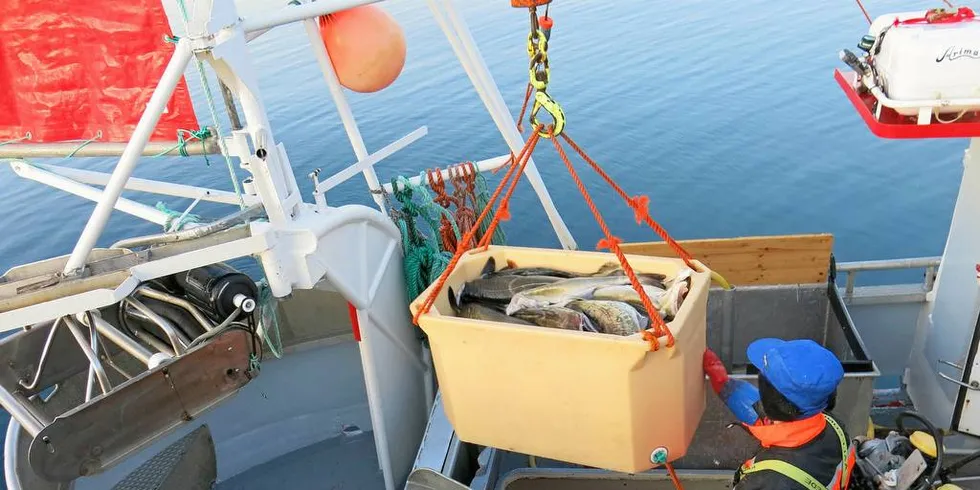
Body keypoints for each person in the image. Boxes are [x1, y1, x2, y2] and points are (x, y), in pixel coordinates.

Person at [703, 338, 857, 490]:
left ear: (772, 402)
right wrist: (721, 379)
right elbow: (762, 410)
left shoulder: (769, 483)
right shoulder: (835, 428)